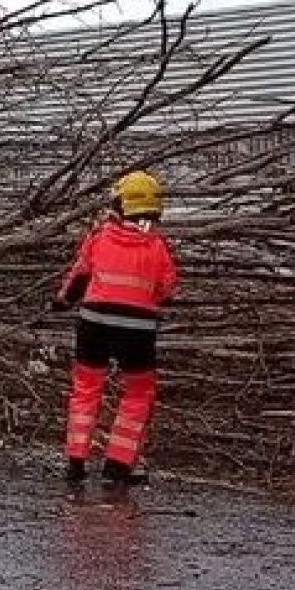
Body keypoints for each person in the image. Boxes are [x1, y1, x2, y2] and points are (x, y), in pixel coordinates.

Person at [52, 170, 178, 488]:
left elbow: (80, 276)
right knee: (137, 394)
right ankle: (118, 467)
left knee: (86, 388)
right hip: (138, 328)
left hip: (94, 322)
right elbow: (166, 288)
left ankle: (76, 463)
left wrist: (63, 302)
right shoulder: (157, 245)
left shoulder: (99, 236)